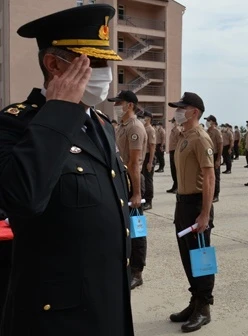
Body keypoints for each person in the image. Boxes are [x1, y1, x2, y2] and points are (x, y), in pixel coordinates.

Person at [0, 4, 134, 335]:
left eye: (107, 62)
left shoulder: (100, 123)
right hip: (57, 318)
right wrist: (58, 110)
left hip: (107, 303)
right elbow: (23, 199)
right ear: (54, 64)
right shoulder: (14, 125)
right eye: (94, 62)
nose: (106, 73)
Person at [168, 92, 215, 333]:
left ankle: (204, 307)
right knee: (188, 257)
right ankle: (195, 300)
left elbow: (209, 177)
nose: (177, 111)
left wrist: (205, 214)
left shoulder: (200, 138)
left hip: (197, 204)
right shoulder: (184, 136)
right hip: (183, 203)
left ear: (194, 111)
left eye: (181, 107)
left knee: (201, 260)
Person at [108, 90, 148, 290]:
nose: (116, 106)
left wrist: (137, 193)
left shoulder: (135, 127)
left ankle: (137, 271)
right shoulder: (121, 127)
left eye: (119, 102)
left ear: (130, 105)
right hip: (122, 180)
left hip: (133, 182)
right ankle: (126, 264)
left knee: (136, 228)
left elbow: (134, 163)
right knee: (124, 226)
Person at [138, 110, 156, 210]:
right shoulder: (143, 128)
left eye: (143, 117)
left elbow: (152, 146)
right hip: (143, 156)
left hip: (149, 156)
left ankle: (149, 201)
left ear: (148, 118)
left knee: (148, 180)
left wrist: (150, 162)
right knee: (143, 179)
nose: (142, 119)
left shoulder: (150, 130)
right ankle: (144, 198)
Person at [205, 115, 223, 202]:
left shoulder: (217, 132)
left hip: (215, 155)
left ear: (212, 122)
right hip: (208, 155)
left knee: (216, 176)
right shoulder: (206, 132)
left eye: (208, 120)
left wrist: (218, 159)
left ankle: (216, 194)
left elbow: (220, 145)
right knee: (208, 176)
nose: (207, 122)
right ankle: (209, 194)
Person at [167, 117, 181, 193]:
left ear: (176, 122)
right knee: (173, 170)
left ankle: (178, 187)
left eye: (173, 122)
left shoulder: (178, 130)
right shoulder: (173, 130)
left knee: (176, 170)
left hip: (176, 151)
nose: (172, 123)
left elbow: (180, 142)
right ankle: (174, 185)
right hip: (172, 151)